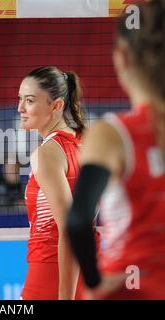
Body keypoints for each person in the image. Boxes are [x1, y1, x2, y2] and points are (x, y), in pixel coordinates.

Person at [66, 0, 165, 300]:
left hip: (135, 286)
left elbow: (79, 219)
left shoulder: (111, 134)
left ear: (121, 57)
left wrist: (95, 283)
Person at [17, 66, 87, 299]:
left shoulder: (46, 153)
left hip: (51, 270)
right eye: (20, 99)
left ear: (56, 106)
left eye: (29, 101)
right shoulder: (85, 142)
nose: (20, 108)